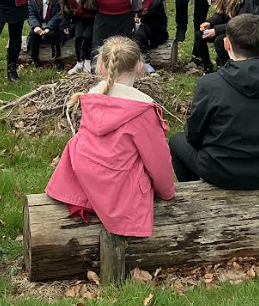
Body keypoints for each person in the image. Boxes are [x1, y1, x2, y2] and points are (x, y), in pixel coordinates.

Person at [45, 37, 175, 238]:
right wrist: (166, 192)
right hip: (118, 191)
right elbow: (158, 161)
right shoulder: (143, 111)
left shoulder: (92, 98)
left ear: (101, 67)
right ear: (139, 66)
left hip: (86, 178)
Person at [170, 15, 259, 190]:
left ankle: (194, 192)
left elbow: (194, 135)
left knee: (176, 141)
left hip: (220, 171)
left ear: (227, 44)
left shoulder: (210, 84)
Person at [196, 0, 249, 72]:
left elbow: (238, 23)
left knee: (220, 40)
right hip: (225, 28)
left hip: (237, 31)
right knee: (199, 35)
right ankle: (207, 66)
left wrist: (216, 30)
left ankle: (226, 67)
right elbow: (220, 14)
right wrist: (209, 22)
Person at [60, 0, 95, 75]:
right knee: (78, 37)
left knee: (87, 37)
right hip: (78, 19)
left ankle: (88, 62)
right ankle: (79, 62)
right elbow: (65, 7)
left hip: (92, 19)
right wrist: (65, 23)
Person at [27, 0, 64, 69]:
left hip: (54, 26)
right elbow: (30, 13)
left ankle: (57, 60)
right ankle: (35, 60)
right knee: (33, 35)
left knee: (53, 35)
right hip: (39, 24)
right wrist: (35, 26)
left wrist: (49, 27)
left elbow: (60, 13)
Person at [132, 0, 168, 74]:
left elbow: (160, 21)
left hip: (151, 30)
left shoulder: (156, 0)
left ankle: (145, 61)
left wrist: (141, 23)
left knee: (140, 33)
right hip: (130, 28)